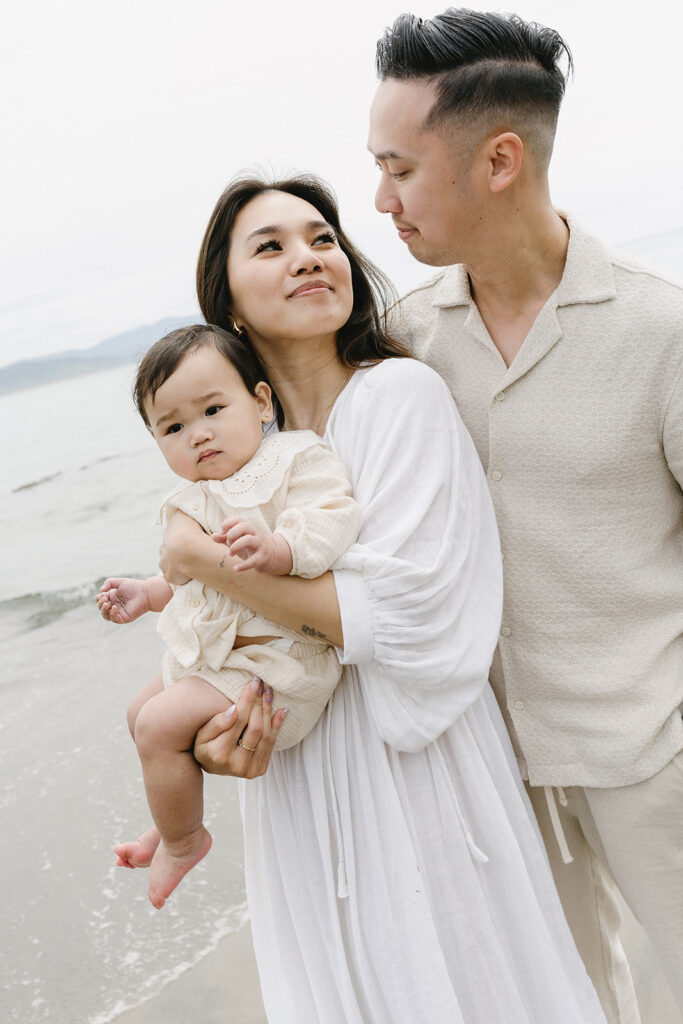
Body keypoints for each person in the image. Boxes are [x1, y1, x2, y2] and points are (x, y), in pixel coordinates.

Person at [157, 172, 607, 1023]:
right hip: (294, 766)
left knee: (453, 982)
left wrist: (208, 564)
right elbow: (209, 635)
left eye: (322, 238)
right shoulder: (238, 451)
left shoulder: (398, 393)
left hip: (416, 766)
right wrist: (209, 737)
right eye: (272, 246)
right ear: (232, 307)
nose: (308, 257)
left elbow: (411, 611)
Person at [368, 9, 683, 1024]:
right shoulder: (403, 345)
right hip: (486, 772)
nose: (380, 200)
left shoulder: (659, 326)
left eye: (399, 168)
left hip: (651, 749)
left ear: (497, 158)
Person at [96, 324, 359, 909]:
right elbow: (192, 582)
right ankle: (168, 823)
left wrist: (280, 548)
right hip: (224, 659)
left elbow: (332, 518)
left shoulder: (293, 458)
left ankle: (184, 841)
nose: (200, 434)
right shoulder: (197, 497)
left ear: (261, 402)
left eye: (213, 408)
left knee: (161, 724)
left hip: (279, 667)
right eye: (174, 427)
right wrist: (146, 591)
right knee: (140, 712)